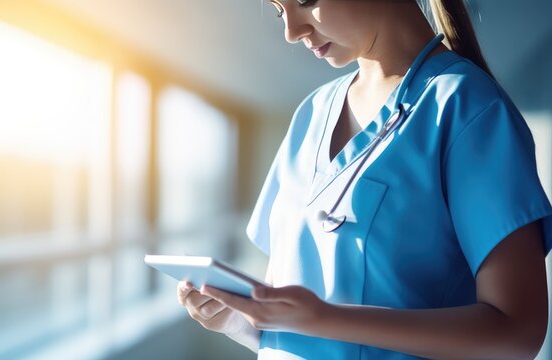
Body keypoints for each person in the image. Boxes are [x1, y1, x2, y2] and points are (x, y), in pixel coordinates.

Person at [176, 0, 552, 358]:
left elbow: (517, 333)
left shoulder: (465, 106)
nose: (292, 31)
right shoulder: (311, 113)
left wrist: (325, 318)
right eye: (279, 11)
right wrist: (237, 319)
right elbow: (288, 316)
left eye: (305, 1)